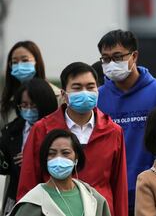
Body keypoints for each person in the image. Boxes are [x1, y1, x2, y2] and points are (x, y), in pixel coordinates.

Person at [17, 62, 128, 216]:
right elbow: (27, 184)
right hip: (53, 210)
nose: (85, 92)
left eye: (90, 87)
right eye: (77, 88)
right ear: (63, 94)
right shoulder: (41, 129)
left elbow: (119, 186)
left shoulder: (113, 131)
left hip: (99, 210)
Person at [97, 29, 156, 214]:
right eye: (105, 59)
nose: (111, 64)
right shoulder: (98, 96)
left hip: (150, 192)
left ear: (134, 56)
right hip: (108, 194)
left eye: (117, 57)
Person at [8, 129, 111, 216]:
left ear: (76, 157)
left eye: (65, 153)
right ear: (45, 159)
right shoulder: (32, 203)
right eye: (51, 154)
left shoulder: (93, 197)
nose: (58, 158)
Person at [0, 78, 58, 215]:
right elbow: (5, 166)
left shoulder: (58, 130)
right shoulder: (12, 130)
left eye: (33, 105)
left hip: (51, 198)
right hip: (17, 196)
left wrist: (35, 158)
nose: (29, 110)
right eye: (24, 105)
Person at [0, 41, 62, 129]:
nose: (20, 66)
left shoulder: (56, 95)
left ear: (37, 61)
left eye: (25, 60)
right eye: (15, 62)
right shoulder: (8, 99)